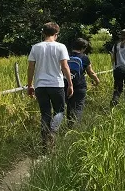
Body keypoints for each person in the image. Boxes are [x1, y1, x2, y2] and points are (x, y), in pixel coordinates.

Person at [27, 22, 73, 151]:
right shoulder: (60, 47)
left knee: (45, 113)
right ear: (56, 34)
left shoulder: (35, 47)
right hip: (56, 84)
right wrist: (70, 84)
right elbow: (64, 66)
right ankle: (53, 132)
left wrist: (30, 85)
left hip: (40, 85)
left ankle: (44, 141)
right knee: (59, 110)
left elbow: (31, 67)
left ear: (43, 33)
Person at [65, 38, 100, 125]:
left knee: (69, 107)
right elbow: (90, 72)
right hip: (79, 86)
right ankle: (75, 128)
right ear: (83, 48)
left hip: (66, 85)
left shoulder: (66, 56)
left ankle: (69, 125)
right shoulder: (84, 58)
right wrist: (97, 81)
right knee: (78, 107)